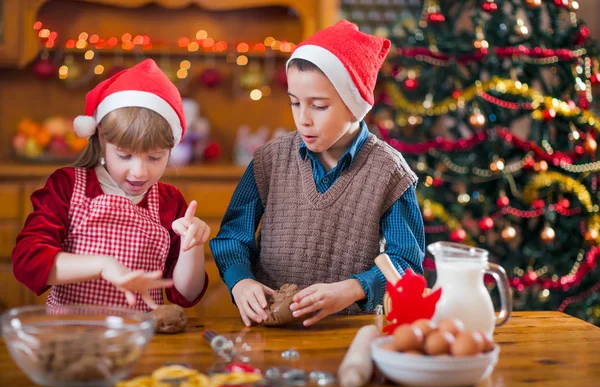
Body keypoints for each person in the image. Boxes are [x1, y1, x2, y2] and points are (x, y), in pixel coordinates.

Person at [210, 21, 425, 327]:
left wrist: (352, 289)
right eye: (295, 103)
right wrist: (240, 281)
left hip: (349, 331)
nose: (303, 119)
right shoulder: (270, 160)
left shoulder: (389, 171)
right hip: (272, 332)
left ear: (355, 106)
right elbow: (233, 236)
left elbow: (406, 263)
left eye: (319, 106)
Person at [12, 59, 210, 311]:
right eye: (125, 156)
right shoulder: (68, 186)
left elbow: (186, 295)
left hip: (141, 341)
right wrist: (104, 266)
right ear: (101, 139)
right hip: (72, 337)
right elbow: (28, 262)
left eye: (155, 157)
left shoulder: (170, 202)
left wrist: (192, 245)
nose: (139, 172)